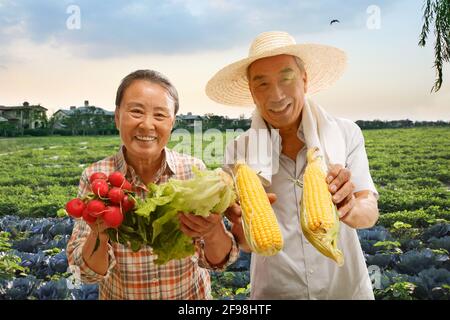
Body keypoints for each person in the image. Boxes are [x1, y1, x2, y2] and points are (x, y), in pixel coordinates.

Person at [206, 31, 380, 299]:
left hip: (345, 290)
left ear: (304, 80)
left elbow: (369, 210)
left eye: (286, 79)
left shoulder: (346, 134)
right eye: (262, 84)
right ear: (252, 92)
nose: (276, 96)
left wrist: (351, 206)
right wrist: (240, 220)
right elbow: (245, 242)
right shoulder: (238, 152)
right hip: (275, 292)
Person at [67, 69, 239, 300]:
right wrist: (99, 233)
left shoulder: (193, 171)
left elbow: (219, 260)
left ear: (172, 123)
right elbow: (86, 273)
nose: (147, 125)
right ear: (117, 117)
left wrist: (213, 230)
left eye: (159, 115)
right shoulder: (97, 178)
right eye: (136, 111)